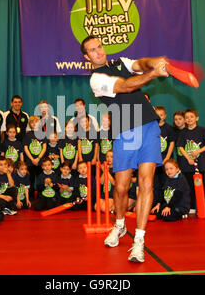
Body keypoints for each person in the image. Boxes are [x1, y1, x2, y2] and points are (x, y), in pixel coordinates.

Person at [81, 35, 169, 262]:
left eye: (99, 46)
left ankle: (139, 239)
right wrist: (154, 74)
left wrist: (154, 62)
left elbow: (140, 64)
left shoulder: (121, 62)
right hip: (124, 131)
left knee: (146, 183)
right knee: (120, 188)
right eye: (92, 50)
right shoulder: (96, 79)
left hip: (149, 126)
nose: (99, 52)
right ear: (86, 57)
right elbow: (127, 86)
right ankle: (119, 225)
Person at [176, 109, 205, 214]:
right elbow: (181, 147)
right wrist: (188, 158)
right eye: (187, 117)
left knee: (200, 187)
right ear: (185, 120)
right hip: (187, 165)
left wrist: (198, 151)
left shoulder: (202, 130)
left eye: (191, 117)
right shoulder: (183, 132)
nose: (189, 119)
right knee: (189, 187)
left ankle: (202, 206)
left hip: (200, 165)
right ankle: (191, 206)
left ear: (197, 118)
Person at [23, 115, 47, 199]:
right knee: (31, 179)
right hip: (30, 162)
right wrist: (32, 159)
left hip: (40, 161)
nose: (34, 123)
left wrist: (38, 158)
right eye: (32, 122)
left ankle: (41, 196)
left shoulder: (42, 134)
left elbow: (44, 147)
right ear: (30, 124)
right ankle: (31, 197)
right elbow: (25, 148)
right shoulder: (27, 135)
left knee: (41, 179)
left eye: (36, 122)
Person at [154, 105, 176, 192]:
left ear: (165, 116)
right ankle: (157, 203)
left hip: (166, 160)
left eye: (161, 115)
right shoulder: (152, 128)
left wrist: (167, 158)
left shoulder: (169, 128)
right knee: (156, 182)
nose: (159, 117)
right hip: (155, 160)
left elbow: (172, 143)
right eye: (157, 114)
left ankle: (167, 202)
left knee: (167, 182)